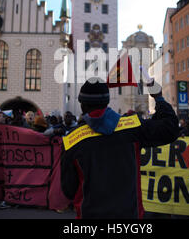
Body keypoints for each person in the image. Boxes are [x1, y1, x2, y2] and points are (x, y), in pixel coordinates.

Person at [61, 78, 179, 219]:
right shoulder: (132, 127)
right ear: (107, 102)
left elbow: (68, 190)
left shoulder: (71, 140)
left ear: (82, 105)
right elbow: (170, 129)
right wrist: (158, 97)